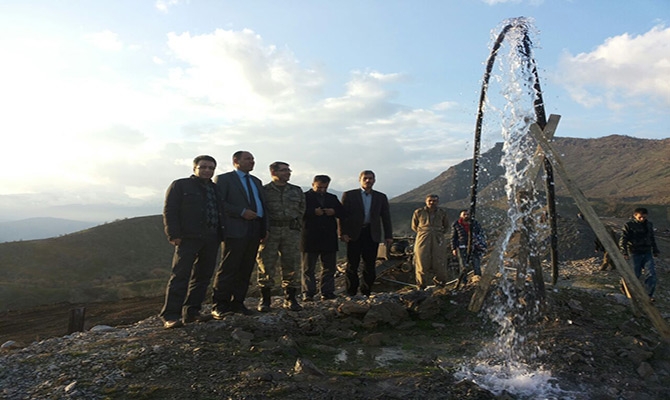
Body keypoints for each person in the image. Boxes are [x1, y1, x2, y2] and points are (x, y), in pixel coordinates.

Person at [160, 155, 225, 329]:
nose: (207, 170)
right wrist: (173, 234)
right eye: (203, 167)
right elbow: (170, 210)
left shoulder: (215, 188)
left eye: (211, 168)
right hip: (188, 238)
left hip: (212, 237)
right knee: (180, 275)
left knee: (203, 276)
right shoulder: (180, 185)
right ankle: (171, 315)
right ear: (194, 168)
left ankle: (192, 312)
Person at [211, 151, 267, 318]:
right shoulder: (224, 179)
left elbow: (263, 206)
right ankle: (220, 304)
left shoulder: (256, 181)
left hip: (255, 229)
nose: (252, 162)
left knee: (246, 268)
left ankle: (238, 303)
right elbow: (219, 203)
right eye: (248, 159)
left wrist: (265, 229)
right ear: (236, 161)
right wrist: (241, 211)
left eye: (253, 159)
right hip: (235, 230)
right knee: (229, 267)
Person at [256, 161, 306, 311]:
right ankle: (265, 300)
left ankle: (291, 298)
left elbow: (301, 209)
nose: (288, 173)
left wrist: (296, 227)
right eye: (284, 170)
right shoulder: (264, 191)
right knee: (266, 265)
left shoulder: (296, 191)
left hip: (290, 231)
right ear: (273, 172)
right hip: (270, 231)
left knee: (291, 264)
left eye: (288, 170)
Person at [339, 170, 393, 297]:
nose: (368, 180)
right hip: (354, 234)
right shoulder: (349, 195)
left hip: (372, 233)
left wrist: (388, 235)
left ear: (374, 180)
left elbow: (386, 217)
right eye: (365, 178)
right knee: (353, 264)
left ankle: (366, 292)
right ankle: (351, 292)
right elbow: (342, 216)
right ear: (360, 179)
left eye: (371, 178)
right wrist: (342, 233)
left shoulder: (381, 197)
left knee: (369, 264)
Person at [301, 175, 345, 301]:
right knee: (308, 267)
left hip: (328, 236)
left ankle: (327, 292)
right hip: (310, 236)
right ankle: (308, 292)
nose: (322, 190)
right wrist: (313, 212)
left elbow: (343, 213)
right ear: (313, 184)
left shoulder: (332, 198)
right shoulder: (304, 197)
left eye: (324, 188)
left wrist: (333, 212)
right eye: (319, 187)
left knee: (329, 267)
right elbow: (298, 213)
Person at [619, 207, 660, 301]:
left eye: (644, 217)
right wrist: (624, 252)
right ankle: (627, 290)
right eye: (640, 217)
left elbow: (652, 238)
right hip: (634, 252)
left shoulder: (649, 225)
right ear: (635, 216)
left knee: (651, 274)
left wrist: (655, 250)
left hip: (647, 252)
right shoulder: (629, 225)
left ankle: (648, 295)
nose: (642, 219)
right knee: (635, 274)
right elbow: (623, 239)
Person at [411, 194, 450, 289]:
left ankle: (440, 284)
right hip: (422, 238)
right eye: (430, 201)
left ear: (438, 202)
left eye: (435, 201)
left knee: (439, 261)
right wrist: (425, 232)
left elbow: (446, 226)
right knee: (421, 261)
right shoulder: (419, 212)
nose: (432, 203)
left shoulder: (442, 212)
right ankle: (421, 285)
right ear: (426, 201)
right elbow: (414, 226)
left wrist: (437, 233)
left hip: (438, 238)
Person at [451, 209, 486, 280]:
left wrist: (481, 244)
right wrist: (454, 248)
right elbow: (453, 237)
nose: (466, 216)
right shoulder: (456, 224)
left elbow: (480, 234)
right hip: (461, 246)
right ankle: (463, 282)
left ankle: (478, 278)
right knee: (463, 265)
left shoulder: (475, 223)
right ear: (460, 216)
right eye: (464, 214)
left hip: (474, 246)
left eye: (467, 214)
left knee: (476, 263)